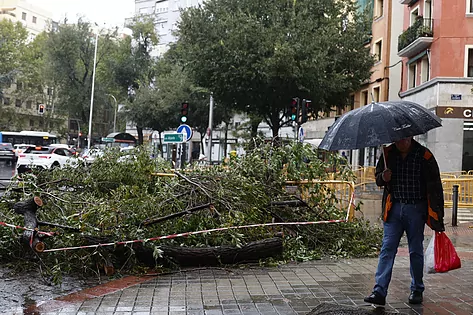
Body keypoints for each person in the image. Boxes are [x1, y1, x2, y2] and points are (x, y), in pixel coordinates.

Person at [364, 136, 445, 306]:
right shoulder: (388, 154)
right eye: (398, 139)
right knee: (387, 248)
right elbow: (378, 178)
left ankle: (417, 289)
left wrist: (438, 215)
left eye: (405, 138)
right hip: (394, 208)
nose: (402, 142)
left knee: (415, 250)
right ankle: (379, 291)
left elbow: (435, 185)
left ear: (411, 137)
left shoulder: (424, 155)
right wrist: (383, 178)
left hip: (416, 209)